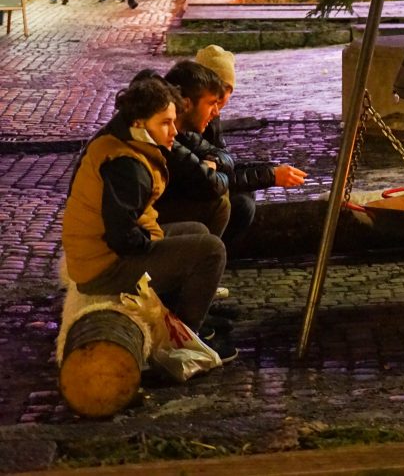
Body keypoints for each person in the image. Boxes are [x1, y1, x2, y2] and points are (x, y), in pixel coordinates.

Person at [61, 73, 234, 360]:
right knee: (211, 251)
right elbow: (121, 235)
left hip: (102, 254)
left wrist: (151, 235)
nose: (173, 132)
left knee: (199, 231)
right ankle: (183, 342)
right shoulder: (127, 163)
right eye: (165, 123)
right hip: (103, 267)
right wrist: (150, 242)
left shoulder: (129, 141)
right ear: (140, 122)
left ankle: (178, 320)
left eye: (172, 121)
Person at [194, 45, 308, 250]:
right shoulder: (187, 123)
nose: (217, 110)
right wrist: (271, 175)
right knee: (240, 204)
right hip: (186, 198)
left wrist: (270, 170)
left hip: (201, 186)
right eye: (214, 102)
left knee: (246, 195)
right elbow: (205, 178)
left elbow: (225, 163)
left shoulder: (211, 118)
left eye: (223, 100)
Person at [155, 61, 233, 239]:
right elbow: (207, 183)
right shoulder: (162, 135)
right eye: (212, 103)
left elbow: (223, 157)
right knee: (219, 209)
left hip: (144, 220)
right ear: (186, 103)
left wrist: (213, 164)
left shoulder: (184, 133)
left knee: (228, 201)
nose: (216, 112)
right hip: (128, 237)